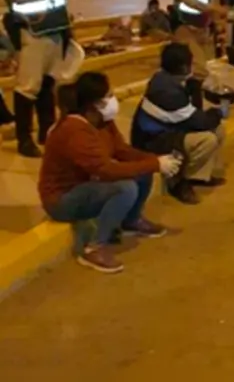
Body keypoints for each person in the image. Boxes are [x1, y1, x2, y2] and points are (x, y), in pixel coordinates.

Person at [38, 72, 181, 274]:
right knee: (125, 188)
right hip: (63, 198)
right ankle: (93, 248)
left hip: (87, 186)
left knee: (142, 169)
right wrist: (154, 164)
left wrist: (154, 160)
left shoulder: (102, 121)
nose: (114, 99)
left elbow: (121, 151)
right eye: (109, 95)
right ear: (94, 103)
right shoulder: (73, 129)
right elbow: (105, 170)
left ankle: (130, 220)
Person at [1, 0, 80, 158]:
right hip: (32, 32)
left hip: (55, 29)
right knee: (28, 87)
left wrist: (68, 28)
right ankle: (25, 139)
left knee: (49, 84)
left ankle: (47, 132)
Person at [130, 43, 227, 206]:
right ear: (183, 67)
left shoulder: (167, 79)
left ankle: (199, 176)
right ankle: (179, 182)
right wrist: (218, 112)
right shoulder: (167, 91)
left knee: (218, 130)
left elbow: (193, 114)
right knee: (207, 139)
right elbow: (199, 121)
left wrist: (195, 89)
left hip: (167, 129)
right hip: (152, 139)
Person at [171, 0, 226, 111]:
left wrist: (217, 21)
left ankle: (195, 110)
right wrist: (213, 8)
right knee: (199, 70)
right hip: (185, 27)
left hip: (204, 27)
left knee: (198, 73)